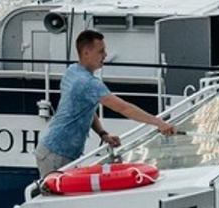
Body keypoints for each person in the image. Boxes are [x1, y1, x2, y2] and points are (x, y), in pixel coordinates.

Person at [35, 29, 178, 180]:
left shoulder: (72, 70)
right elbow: (123, 107)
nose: (105, 55)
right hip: (56, 156)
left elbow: (86, 108)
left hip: (54, 151)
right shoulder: (87, 83)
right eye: (101, 51)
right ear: (86, 53)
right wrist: (159, 123)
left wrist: (103, 133)